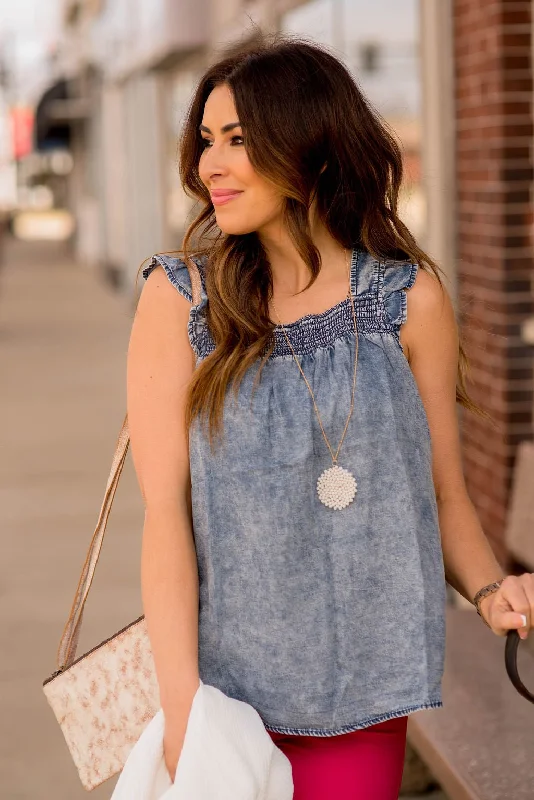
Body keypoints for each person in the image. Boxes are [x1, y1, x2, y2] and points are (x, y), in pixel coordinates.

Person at [126, 36, 534, 800]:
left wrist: (489, 592)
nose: (210, 164)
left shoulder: (409, 303)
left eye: (239, 141)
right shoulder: (177, 301)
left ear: (308, 146)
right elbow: (165, 520)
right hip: (226, 700)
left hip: (365, 690)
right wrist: (184, 717)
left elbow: (442, 496)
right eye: (207, 141)